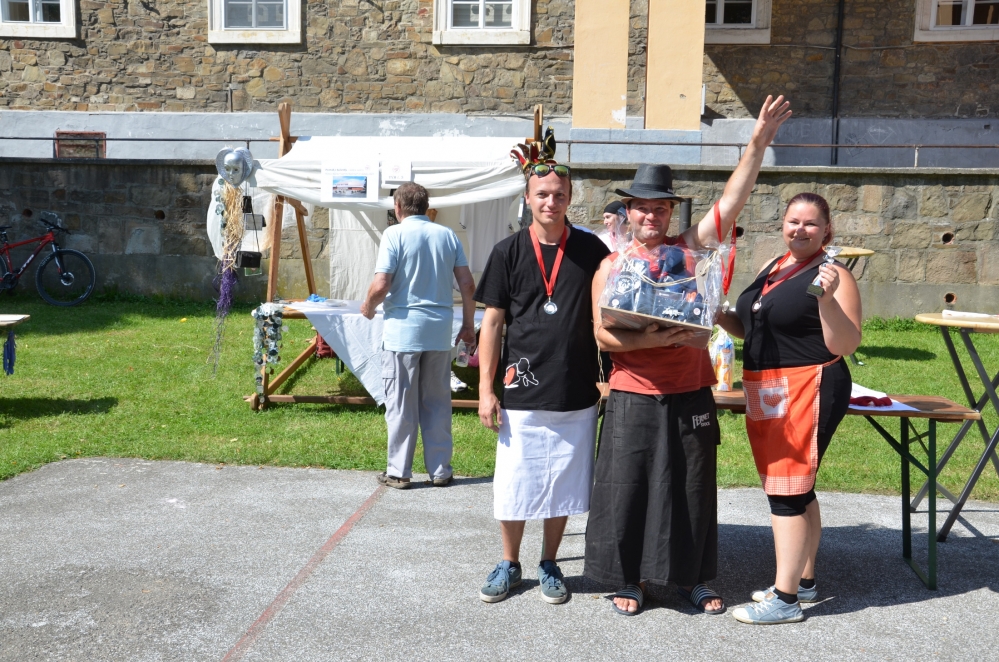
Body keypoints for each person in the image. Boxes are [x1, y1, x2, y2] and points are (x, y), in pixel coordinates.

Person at [583, 95, 793, 617]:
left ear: (671, 212)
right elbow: (603, 338)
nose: (650, 215)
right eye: (642, 207)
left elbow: (733, 200)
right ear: (628, 212)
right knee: (628, 487)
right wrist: (661, 340)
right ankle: (629, 579)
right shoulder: (611, 266)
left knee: (692, 486)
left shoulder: (690, 250)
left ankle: (693, 578)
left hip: (690, 391)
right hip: (633, 393)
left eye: (660, 208)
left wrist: (758, 142)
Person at [715, 192, 861, 624]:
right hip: (769, 387)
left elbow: (846, 343)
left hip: (809, 385)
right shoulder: (773, 265)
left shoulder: (834, 275)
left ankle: (785, 599)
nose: (800, 229)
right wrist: (719, 313)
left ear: (827, 230)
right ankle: (805, 581)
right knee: (798, 487)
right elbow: (752, 327)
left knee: (787, 491)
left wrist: (827, 301)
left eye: (810, 223)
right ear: (782, 225)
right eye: (793, 221)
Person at [475, 155, 610, 604]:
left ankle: (550, 562)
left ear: (570, 198)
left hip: (575, 387)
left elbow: (608, 315)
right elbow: (492, 323)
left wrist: (608, 375)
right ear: (528, 198)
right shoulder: (507, 252)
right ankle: (509, 563)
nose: (551, 202)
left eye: (559, 195)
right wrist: (486, 390)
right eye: (542, 195)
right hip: (522, 389)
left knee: (563, 483)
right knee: (514, 482)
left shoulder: (592, 251)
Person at [361, 182, 477, 489]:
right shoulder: (447, 235)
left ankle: (399, 471)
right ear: (427, 207)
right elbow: (467, 284)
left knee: (401, 402)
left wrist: (368, 307)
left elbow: (381, 283)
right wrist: (468, 324)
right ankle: (440, 470)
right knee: (437, 401)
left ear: (398, 207)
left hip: (403, 332)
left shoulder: (394, 234)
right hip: (438, 330)